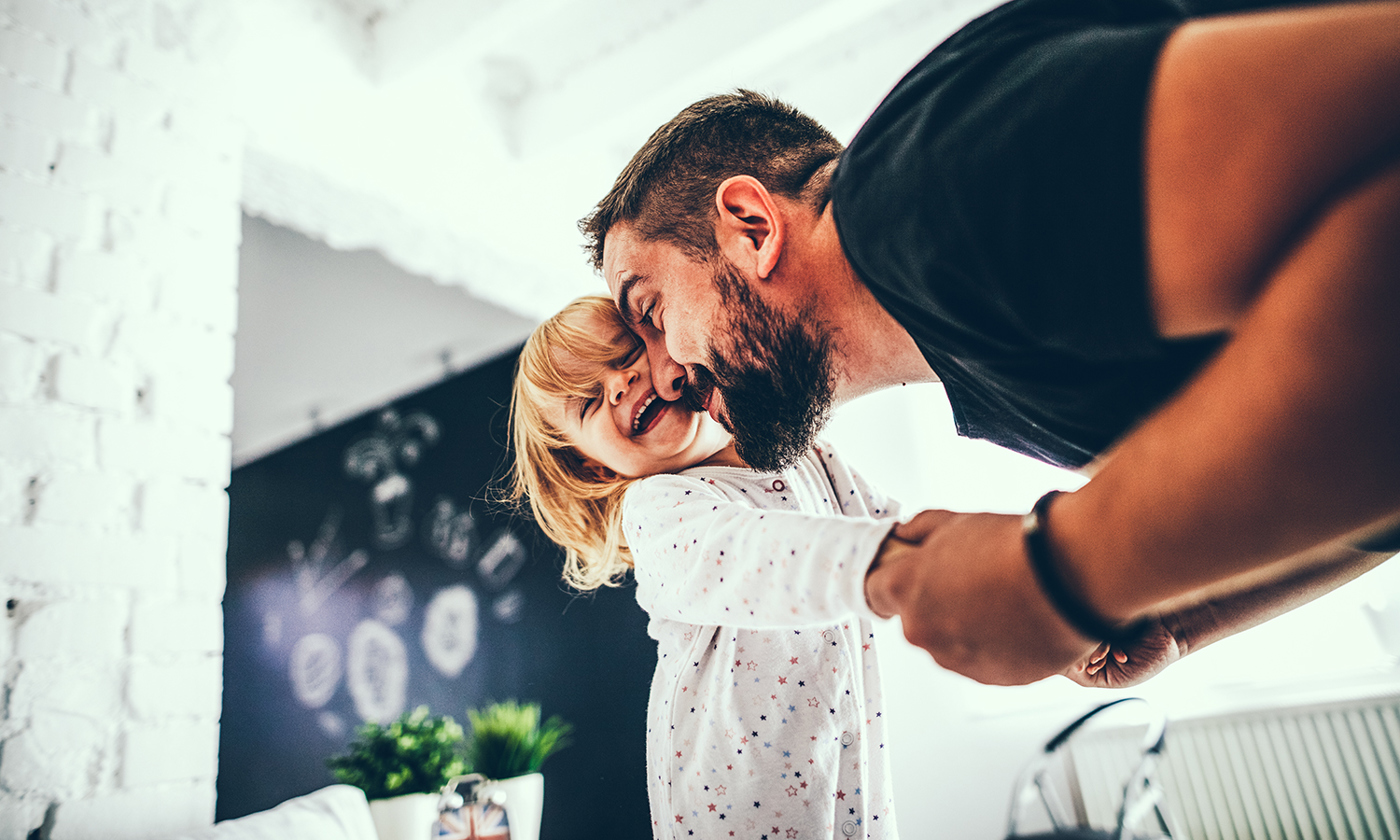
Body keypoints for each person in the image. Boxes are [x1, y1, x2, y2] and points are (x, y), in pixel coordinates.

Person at [579, 0, 1400, 685]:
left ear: (753, 227)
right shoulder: (976, 366)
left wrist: (1065, 575)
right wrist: (1183, 613)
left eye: (649, 312)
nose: (666, 375)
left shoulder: (924, 191)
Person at [508, 295, 902, 839]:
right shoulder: (658, 509)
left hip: (851, 797)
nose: (618, 385)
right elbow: (760, 557)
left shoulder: (811, 458)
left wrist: (1037, 609)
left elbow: (908, 534)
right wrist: (908, 570)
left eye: (625, 354)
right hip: (737, 814)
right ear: (595, 467)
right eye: (588, 403)